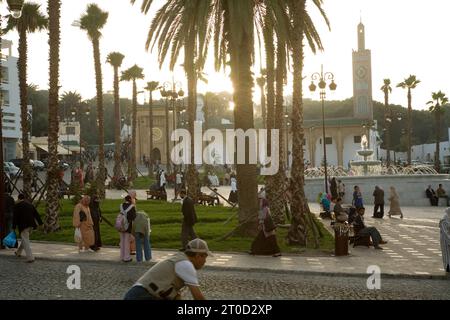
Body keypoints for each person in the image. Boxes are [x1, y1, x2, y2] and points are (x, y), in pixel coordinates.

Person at [124, 238, 210, 300]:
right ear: (198, 256)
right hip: (141, 295)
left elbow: (175, 295)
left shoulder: (179, 259)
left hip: (138, 293)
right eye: (205, 257)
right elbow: (198, 297)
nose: (205, 261)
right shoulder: (186, 265)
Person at [12, 194, 43, 263]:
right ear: (24, 198)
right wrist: (40, 223)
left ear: (18, 198)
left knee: (25, 240)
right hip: (31, 225)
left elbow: (15, 217)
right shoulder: (30, 204)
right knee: (25, 239)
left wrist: (13, 227)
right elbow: (36, 214)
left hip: (23, 226)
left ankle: (30, 257)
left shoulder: (17, 206)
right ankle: (18, 252)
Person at [119, 195, 137, 262]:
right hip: (128, 226)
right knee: (127, 241)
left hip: (120, 225)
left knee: (122, 241)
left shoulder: (121, 205)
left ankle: (122, 256)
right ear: (130, 199)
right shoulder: (132, 206)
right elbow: (134, 217)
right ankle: (126, 257)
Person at [439, 208, 450, 273]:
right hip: (446, 241)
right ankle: (447, 267)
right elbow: (446, 234)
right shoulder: (444, 220)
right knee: (447, 255)